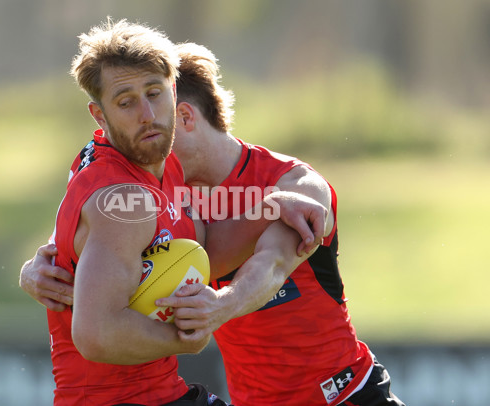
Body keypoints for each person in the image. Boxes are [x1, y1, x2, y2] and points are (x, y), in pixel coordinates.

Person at [22, 39, 404, 405]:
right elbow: (95, 227)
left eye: (157, 102)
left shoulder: (296, 185)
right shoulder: (163, 190)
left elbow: (272, 265)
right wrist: (40, 266)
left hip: (341, 396)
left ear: (181, 113)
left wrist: (221, 305)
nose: (146, 122)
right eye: (127, 105)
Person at [43, 19, 232, 406]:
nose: (147, 114)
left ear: (173, 90)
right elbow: (97, 333)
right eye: (126, 102)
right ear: (100, 116)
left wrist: (283, 198)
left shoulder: (154, 160)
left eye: (154, 93)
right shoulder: (125, 202)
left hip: (163, 393)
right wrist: (189, 337)